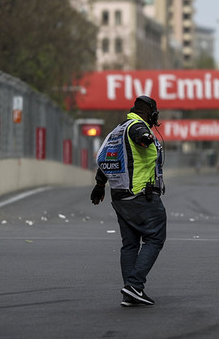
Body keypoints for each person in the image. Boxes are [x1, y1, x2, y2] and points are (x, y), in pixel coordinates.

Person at [91, 95, 166, 307]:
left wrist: (99, 185)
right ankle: (134, 285)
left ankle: (130, 294)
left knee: (130, 244)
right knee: (155, 237)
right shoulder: (136, 127)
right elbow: (141, 136)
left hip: (120, 195)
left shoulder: (118, 129)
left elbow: (109, 157)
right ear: (151, 113)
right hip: (141, 195)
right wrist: (146, 137)